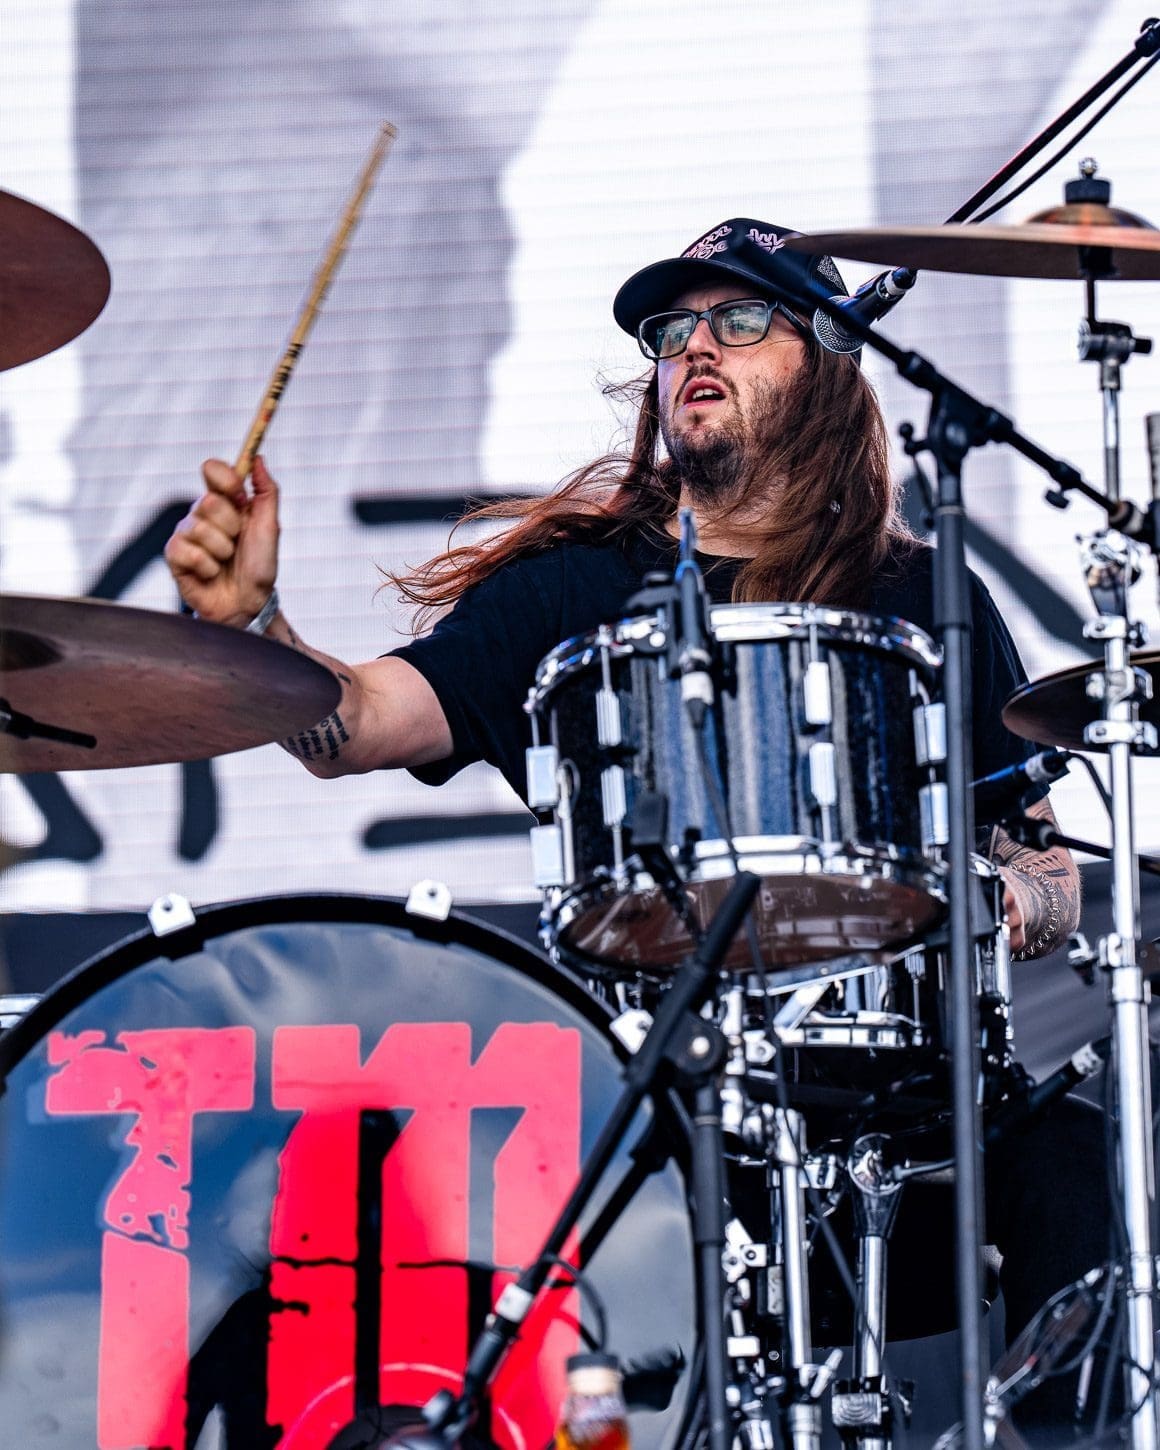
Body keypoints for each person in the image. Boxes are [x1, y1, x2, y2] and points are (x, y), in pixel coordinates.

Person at [166, 219, 1107, 1440]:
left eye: (738, 319)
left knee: (1081, 1174)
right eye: (672, 331)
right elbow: (356, 725)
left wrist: (982, 899)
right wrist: (257, 626)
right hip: (655, 1111)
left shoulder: (922, 593)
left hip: (912, 1113)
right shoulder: (573, 589)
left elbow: (1046, 871)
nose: (693, 348)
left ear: (826, 357)